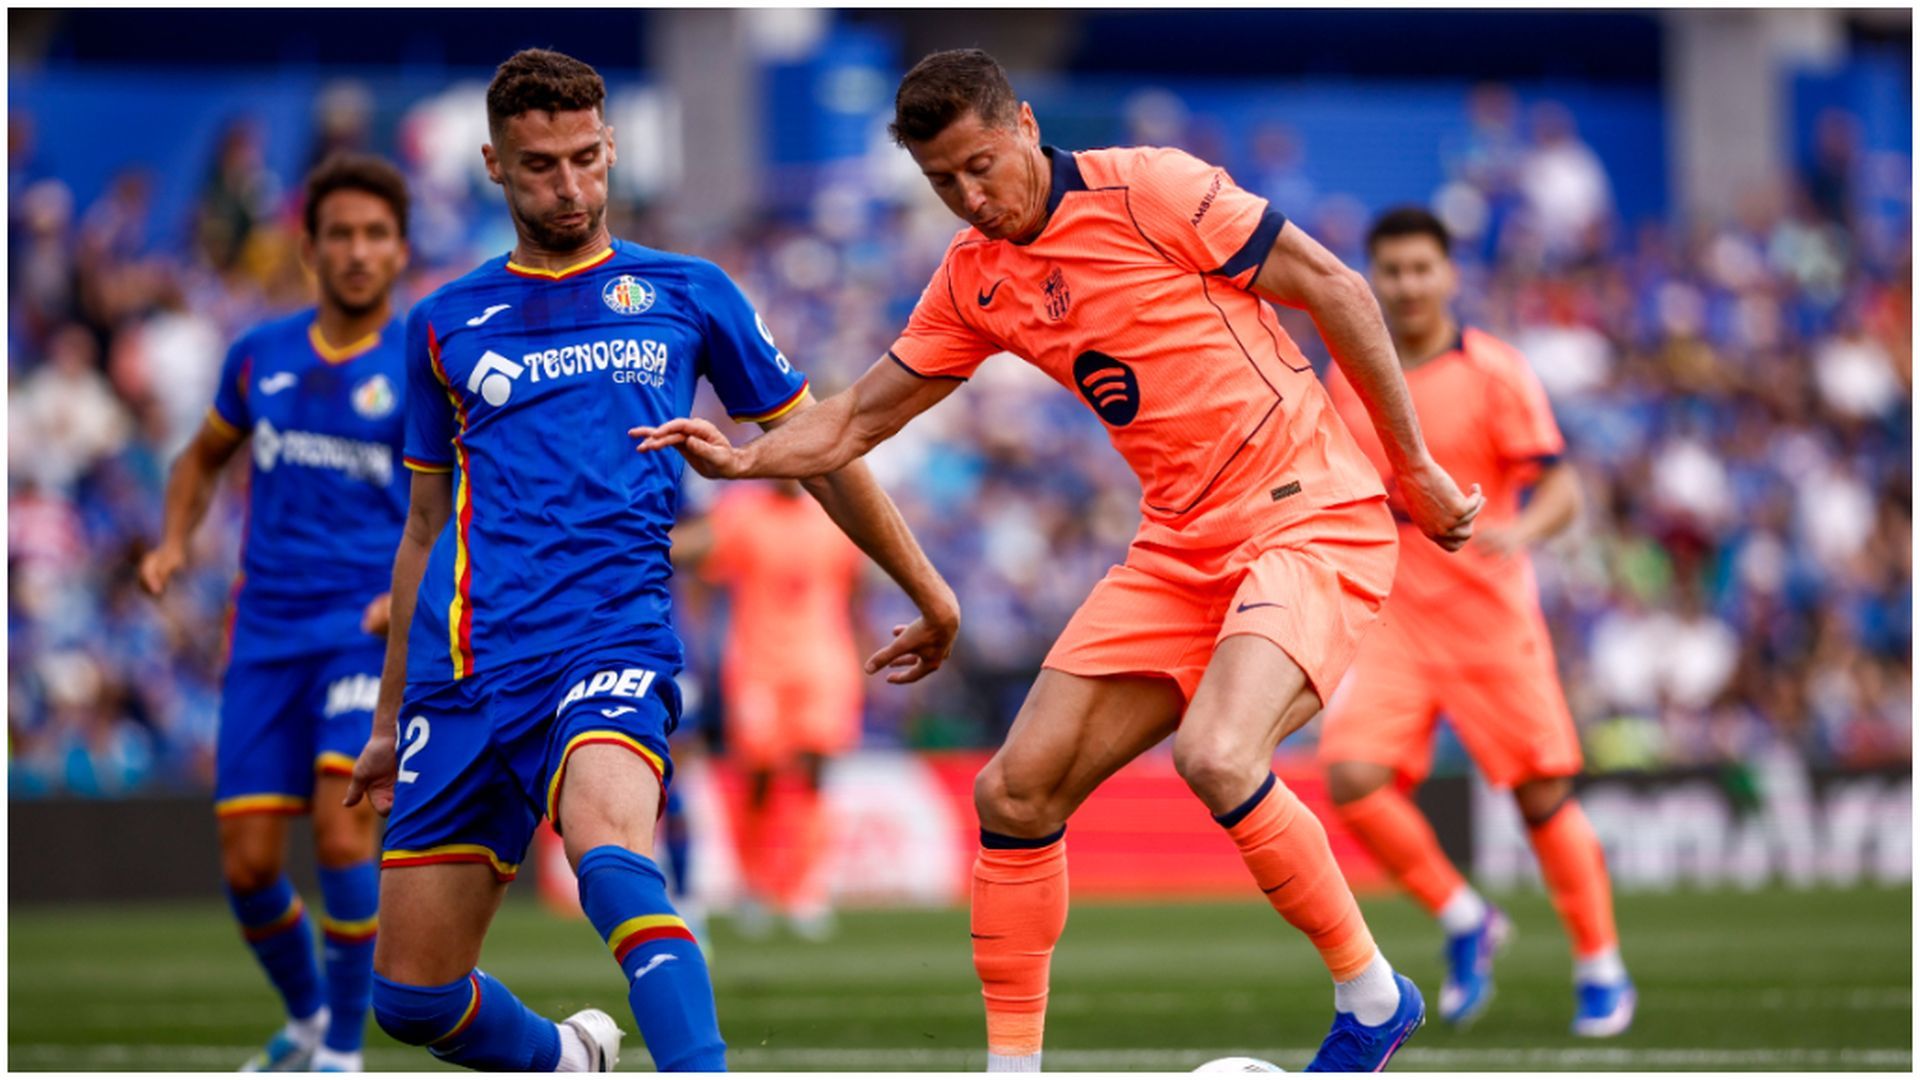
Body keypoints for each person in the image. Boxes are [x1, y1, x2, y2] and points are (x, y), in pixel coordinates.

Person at [635, 48, 1483, 1073]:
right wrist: (747, 458)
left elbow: (1336, 287)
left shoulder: (1152, 188)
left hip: (1309, 515)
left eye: (981, 165)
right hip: (1178, 545)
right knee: (1014, 793)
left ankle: (1371, 997)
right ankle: (1013, 1071)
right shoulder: (973, 279)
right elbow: (858, 415)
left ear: (1026, 122)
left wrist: (1416, 466)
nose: (969, 196)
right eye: (942, 181)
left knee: (1219, 753)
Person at [346, 49, 958, 1073]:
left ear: (613, 146)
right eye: (542, 166)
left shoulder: (686, 293)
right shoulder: (443, 325)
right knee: (411, 1002)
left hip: (608, 645)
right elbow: (421, 530)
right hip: (460, 678)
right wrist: (384, 716)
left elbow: (822, 447)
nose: (572, 187)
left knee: (613, 857)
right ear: (494, 164)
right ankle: (568, 1060)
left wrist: (929, 591)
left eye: (588, 158)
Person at [1318, 206, 1633, 1036]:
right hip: (1394, 610)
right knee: (1351, 777)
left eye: (1423, 268)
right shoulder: (1348, 372)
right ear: (1373, 278)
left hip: (1490, 612)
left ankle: (1601, 967)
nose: (1409, 284)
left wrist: (1520, 531)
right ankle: (1464, 916)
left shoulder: (1497, 371)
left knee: (1540, 796)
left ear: (1449, 274)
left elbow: (1561, 486)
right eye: (1392, 270)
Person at [140, 152, 413, 1072]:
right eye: (340, 233)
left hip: (361, 632)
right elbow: (198, 458)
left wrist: (410, 593)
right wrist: (175, 541)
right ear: (308, 248)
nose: (357, 251)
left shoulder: (423, 366)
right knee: (251, 867)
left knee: (343, 829)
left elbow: (461, 498)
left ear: (401, 251)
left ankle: (343, 1048)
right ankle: (305, 1021)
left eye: (375, 234)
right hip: (263, 637)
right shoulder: (260, 355)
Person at [677, 479, 868, 940]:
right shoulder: (741, 512)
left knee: (817, 768)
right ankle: (755, 886)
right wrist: (703, 645)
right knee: (759, 775)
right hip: (758, 663)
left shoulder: (833, 512)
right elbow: (704, 575)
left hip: (824, 661)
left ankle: (805, 888)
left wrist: (861, 652)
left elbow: (855, 588)